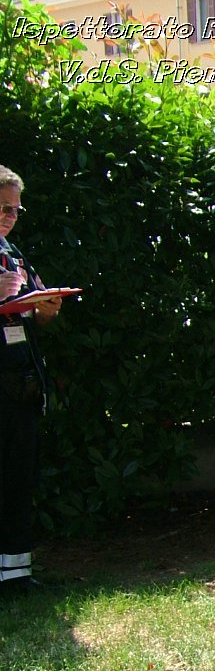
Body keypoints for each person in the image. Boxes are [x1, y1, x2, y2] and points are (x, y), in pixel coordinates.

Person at [0, 166, 62, 595]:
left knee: (18, 476)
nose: (10, 217)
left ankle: (16, 575)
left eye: (16, 211)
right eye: (3, 209)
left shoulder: (14, 253)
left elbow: (31, 305)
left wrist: (45, 309)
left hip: (18, 383)